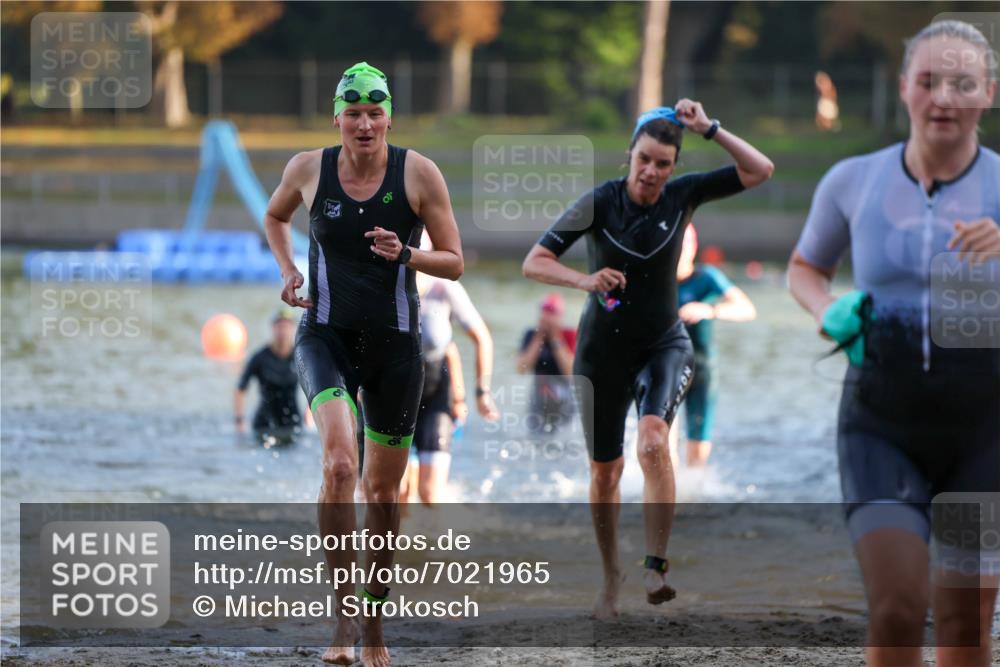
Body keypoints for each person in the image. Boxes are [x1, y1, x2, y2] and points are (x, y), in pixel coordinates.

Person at [787, 20, 998, 667]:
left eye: (962, 83)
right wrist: (826, 308)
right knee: (898, 605)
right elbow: (806, 268)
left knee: (964, 623)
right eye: (929, 81)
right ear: (904, 87)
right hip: (881, 425)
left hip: (986, 433)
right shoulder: (852, 180)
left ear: (989, 93)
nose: (944, 98)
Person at [523, 100, 773, 618]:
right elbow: (535, 261)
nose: (651, 172)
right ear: (630, 155)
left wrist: (710, 128)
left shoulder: (684, 195)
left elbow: (760, 170)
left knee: (654, 440)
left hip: (663, 344)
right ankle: (610, 574)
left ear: (674, 166)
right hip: (601, 353)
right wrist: (585, 280)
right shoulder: (599, 202)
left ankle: (655, 565)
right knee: (605, 473)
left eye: (662, 163)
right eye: (644, 160)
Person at [263, 62, 463, 667]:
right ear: (337, 119)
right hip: (324, 338)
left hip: (395, 351)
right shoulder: (308, 169)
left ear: (389, 119)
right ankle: (343, 613)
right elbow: (275, 216)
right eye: (353, 113)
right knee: (340, 464)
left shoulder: (418, 173)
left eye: (375, 113)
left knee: (382, 491)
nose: (365, 124)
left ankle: (374, 623)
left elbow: (454, 261)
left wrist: (407, 255)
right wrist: (289, 270)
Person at [400, 259, 499, 506]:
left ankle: (445, 527)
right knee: (399, 493)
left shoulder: (444, 288)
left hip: (436, 393)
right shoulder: (386, 284)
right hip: (395, 395)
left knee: (429, 495)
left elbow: (480, 339)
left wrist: (479, 393)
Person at [672, 225, 756, 467]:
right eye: (674, 244)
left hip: (702, 370)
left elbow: (747, 309)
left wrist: (709, 310)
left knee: (697, 452)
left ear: (693, 246)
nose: (679, 251)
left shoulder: (707, 278)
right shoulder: (656, 280)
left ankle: (693, 489)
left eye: (684, 244)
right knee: (660, 441)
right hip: (667, 370)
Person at [234, 307, 314, 445]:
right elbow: (240, 389)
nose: (282, 331)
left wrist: (310, 412)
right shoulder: (260, 357)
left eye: (286, 326)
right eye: (279, 326)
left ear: (292, 329)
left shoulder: (300, 357)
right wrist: (239, 420)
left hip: (293, 425)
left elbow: (314, 385)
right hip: (263, 426)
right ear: (273, 328)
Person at [516, 292, 577, 432]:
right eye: (545, 312)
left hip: (564, 398)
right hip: (539, 398)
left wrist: (556, 339)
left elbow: (571, 373)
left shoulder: (569, 335)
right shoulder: (531, 335)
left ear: (560, 316)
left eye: (552, 313)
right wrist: (539, 338)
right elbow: (521, 369)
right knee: (535, 436)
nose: (548, 317)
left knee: (564, 437)